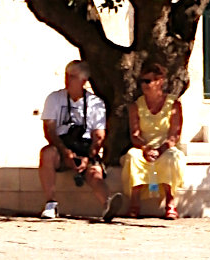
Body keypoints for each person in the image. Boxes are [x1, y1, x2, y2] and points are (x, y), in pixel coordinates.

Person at [38, 60, 123, 221]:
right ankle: (50, 203)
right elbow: (49, 130)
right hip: (61, 144)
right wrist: (65, 152)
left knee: (94, 173)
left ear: (84, 81)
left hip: (85, 146)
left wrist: (88, 156)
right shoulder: (54, 99)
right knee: (47, 154)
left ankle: (107, 205)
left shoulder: (95, 103)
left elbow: (99, 135)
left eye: (73, 76)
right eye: (67, 75)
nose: (68, 79)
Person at [121, 61, 185, 220]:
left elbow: (174, 134)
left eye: (148, 81)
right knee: (132, 157)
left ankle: (171, 204)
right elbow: (134, 134)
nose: (145, 85)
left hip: (166, 147)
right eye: (142, 81)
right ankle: (134, 203)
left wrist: (161, 149)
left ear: (160, 81)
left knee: (172, 158)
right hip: (144, 146)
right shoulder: (136, 106)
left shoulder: (174, 104)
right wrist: (146, 148)